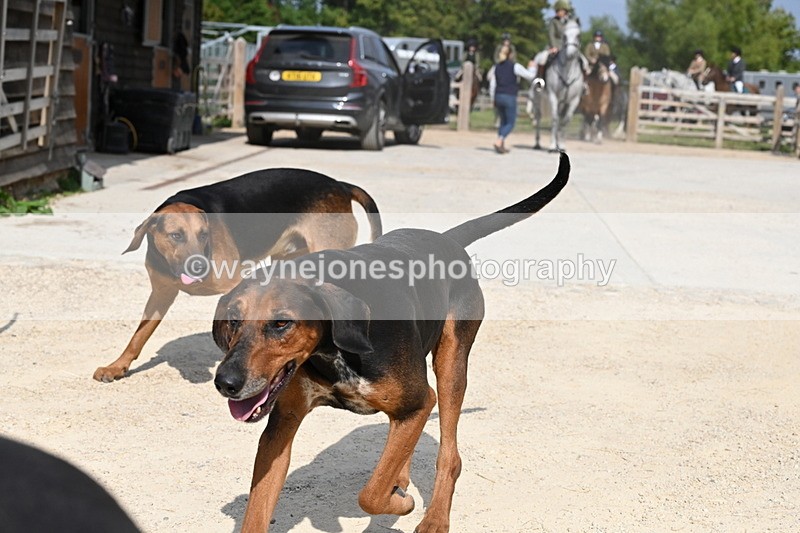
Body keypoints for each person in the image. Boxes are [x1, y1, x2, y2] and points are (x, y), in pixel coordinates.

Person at [487, 45, 536, 154]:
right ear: (511, 54)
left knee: (503, 122)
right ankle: (499, 141)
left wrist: (492, 97)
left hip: (498, 95)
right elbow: (530, 76)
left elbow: (492, 82)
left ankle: (501, 146)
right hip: (509, 96)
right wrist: (532, 67)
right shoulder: (515, 66)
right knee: (510, 122)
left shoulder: (496, 67)